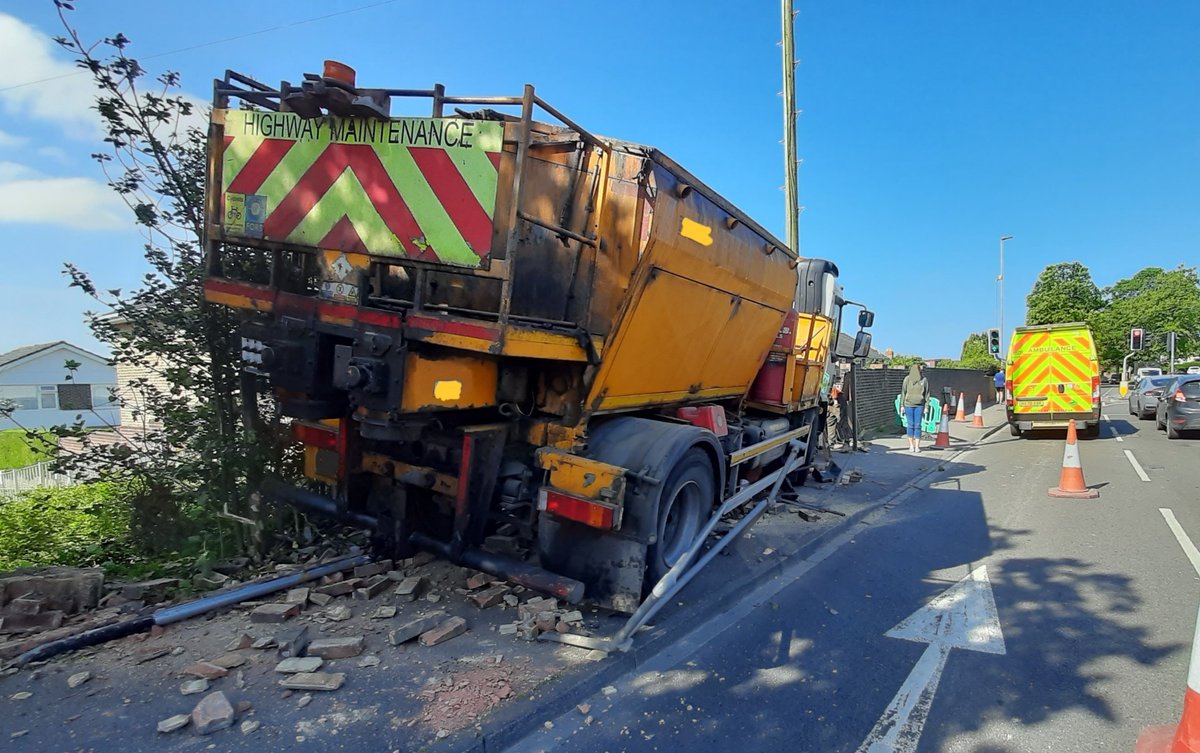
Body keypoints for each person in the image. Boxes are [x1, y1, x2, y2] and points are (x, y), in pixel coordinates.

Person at [900, 363, 928, 453]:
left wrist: (926, 406)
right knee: (910, 425)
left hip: (919, 405)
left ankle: (917, 446)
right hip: (908, 405)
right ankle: (911, 446)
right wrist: (902, 406)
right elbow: (903, 392)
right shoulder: (907, 379)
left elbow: (927, 394)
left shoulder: (924, 380)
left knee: (918, 425)